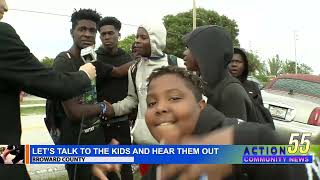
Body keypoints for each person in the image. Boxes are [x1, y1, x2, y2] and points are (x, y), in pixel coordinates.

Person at [142, 66, 313, 180]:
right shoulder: (159, 163)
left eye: (174, 98)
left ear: (200, 106)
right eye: (151, 103)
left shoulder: (233, 145)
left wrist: (252, 141)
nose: (160, 108)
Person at [0, 0, 96, 179]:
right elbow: (51, 84)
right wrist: (84, 75)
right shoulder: (2, 33)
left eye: (92, 30)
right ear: (71, 32)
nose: (6, 7)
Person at [52, 9, 124, 180]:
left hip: (96, 138)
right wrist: (102, 107)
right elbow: (74, 112)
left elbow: (118, 72)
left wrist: (144, 59)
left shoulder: (91, 60)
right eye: (82, 29)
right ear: (72, 32)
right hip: (76, 144)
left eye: (92, 30)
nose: (87, 34)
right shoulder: (64, 61)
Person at [106, 21, 185, 145]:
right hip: (143, 144)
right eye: (137, 37)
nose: (137, 41)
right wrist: (113, 109)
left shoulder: (178, 65)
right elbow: (133, 99)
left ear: (155, 40)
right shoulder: (134, 69)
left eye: (143, 37)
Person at [182, 25, 256, 122]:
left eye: (189, 48)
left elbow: (234, 135)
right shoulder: (203, 84)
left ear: (206, 52)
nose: (184, 53)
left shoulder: (232, 93)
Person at [96, 16, 133, 180]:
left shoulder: (128, 59)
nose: (106, 37)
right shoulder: (94, 59)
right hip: (99, 125)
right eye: (103, 34)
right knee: (104, 171)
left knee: (125, 169)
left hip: (123, 122)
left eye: (110, 33)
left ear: (119, 34)